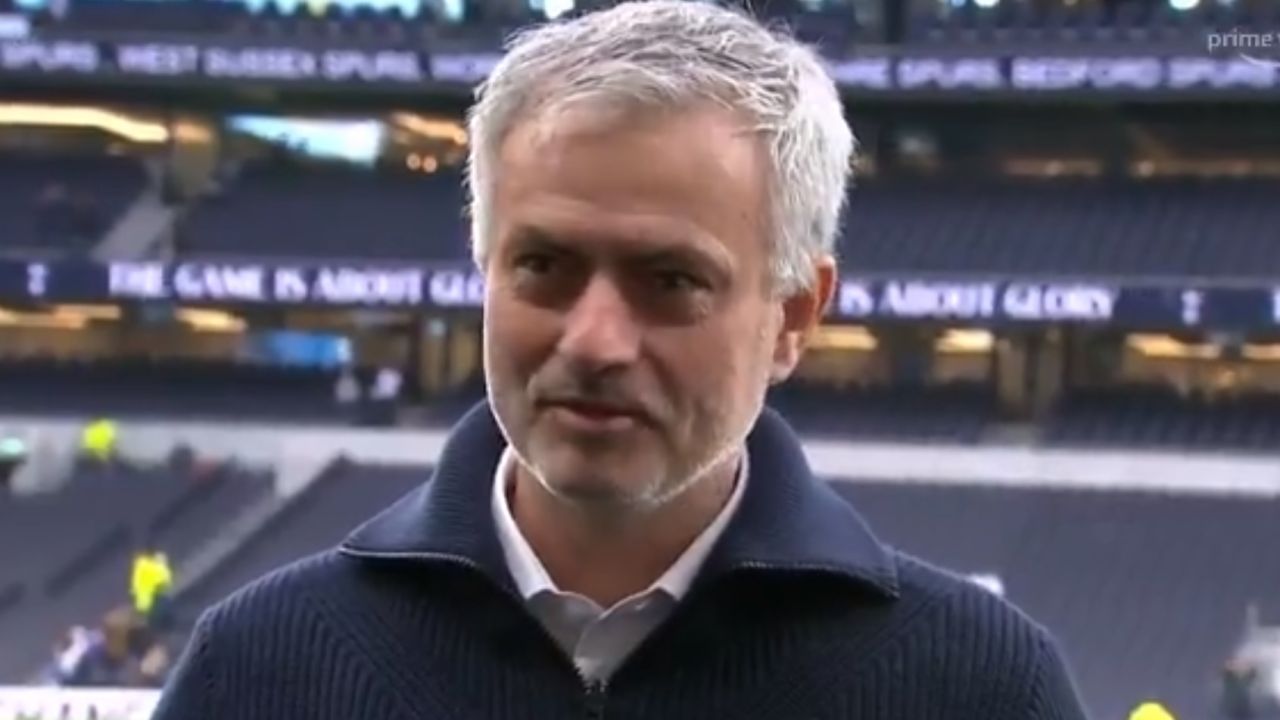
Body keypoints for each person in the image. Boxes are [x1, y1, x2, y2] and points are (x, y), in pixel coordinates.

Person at [152, 2, 1091, 718]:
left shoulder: (978, 689)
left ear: (795, 316)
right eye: (543, 266)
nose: (595, 341)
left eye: (671, 280)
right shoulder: (260, 671)